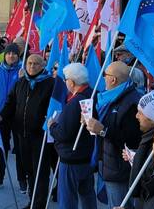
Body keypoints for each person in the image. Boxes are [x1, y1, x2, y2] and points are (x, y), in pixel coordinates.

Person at [0, 53, 54, 209]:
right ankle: (32, 200)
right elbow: (10, 104)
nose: (32, 66)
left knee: (40, 172)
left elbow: (55, 108)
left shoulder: (50, 83)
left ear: (43, 66)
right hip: (22, 134)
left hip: (40, 136)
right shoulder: (21, 82)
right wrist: (1, 116)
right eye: (29, 63)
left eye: (36, 64)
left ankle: (39, 204)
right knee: (29, 170)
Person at [85, 61, 142, 209]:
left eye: (105, 75)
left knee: (120, 205)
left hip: (120, 169)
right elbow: (107, 123)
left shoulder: (131, 102)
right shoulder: (109, 97)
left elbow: (131, 139)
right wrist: (90, 122)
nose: (103, 78)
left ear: (113, 79)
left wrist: (103, 131)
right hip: (109, 163)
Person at [49, 63, 96, 209]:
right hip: (86, 157)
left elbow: (63, 134)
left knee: (68, 200)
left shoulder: (75, 102)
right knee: (87, 195)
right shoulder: (92, 94)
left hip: (71, 159)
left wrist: (52, 125)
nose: (64, 83)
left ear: (72, 82)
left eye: (65, 80)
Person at [0, 43, 25, 192]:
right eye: (9, 53)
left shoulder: (23, 70)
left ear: (18, 55)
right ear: (5, 55)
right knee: (1, 148)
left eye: (14, 53)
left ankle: (23, 179)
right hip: (1, 116)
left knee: (20, 148)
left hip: (18, 116)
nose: (11, 56)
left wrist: (24, 78)